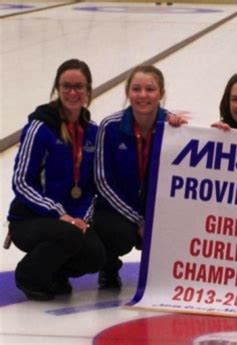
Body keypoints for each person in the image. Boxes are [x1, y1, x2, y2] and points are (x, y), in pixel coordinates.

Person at [6, 59, 105, 300]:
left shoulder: (92, 132)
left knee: (96, 255)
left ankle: (54, 272)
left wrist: (82, 218)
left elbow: (93, 187)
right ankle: (29, 276)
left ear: (88, 91)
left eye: (79, 87)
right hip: (31, 219)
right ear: (57, 89)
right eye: (66, 86)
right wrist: (59, 213)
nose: (72, 92)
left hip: (70, 222)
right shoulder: (40, 128)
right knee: (68, 235)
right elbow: (20, 182)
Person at [93, 64, 186, 290]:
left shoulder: (174, 128)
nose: (143, 95)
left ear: (161, 94)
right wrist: (140, 221)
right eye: (136, 89)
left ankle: (165, 270)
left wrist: (186, 131)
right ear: (128, 93)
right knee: (116, 232)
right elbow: (102, 182)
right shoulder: (110, 126)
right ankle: (108, 268)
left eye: (150, 89)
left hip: (156, 210)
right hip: (119, 212)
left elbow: (185, 180)